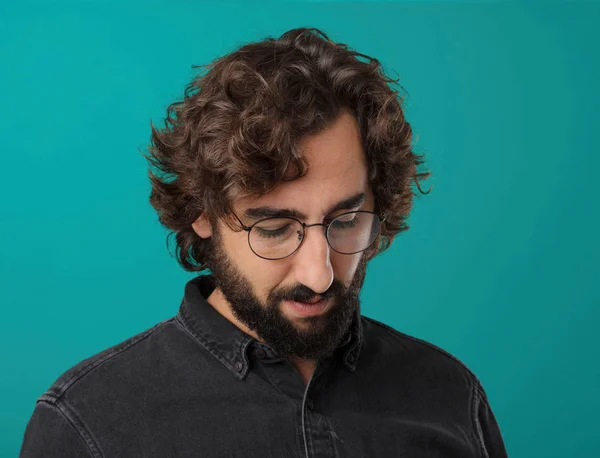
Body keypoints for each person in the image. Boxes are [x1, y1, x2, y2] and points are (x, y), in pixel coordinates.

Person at [20, 27, 508, 457]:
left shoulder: (449, 397)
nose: (319, 274)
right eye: (274, 229)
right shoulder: (87, 427)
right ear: (202, 214)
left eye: (345, 220)